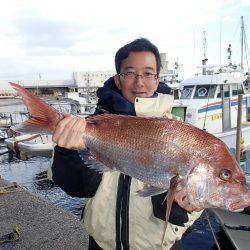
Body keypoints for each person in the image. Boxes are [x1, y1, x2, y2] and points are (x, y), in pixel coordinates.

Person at [51, 38, 202, 250]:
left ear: (158, 79)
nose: (139, 82)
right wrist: (67, 151)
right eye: (130, 73)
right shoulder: (93, 125)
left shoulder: (180, 134)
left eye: (148, 73)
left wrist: (182, 206)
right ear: (118, 79)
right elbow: (75, 188)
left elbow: (195, 208)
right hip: (101, 244)